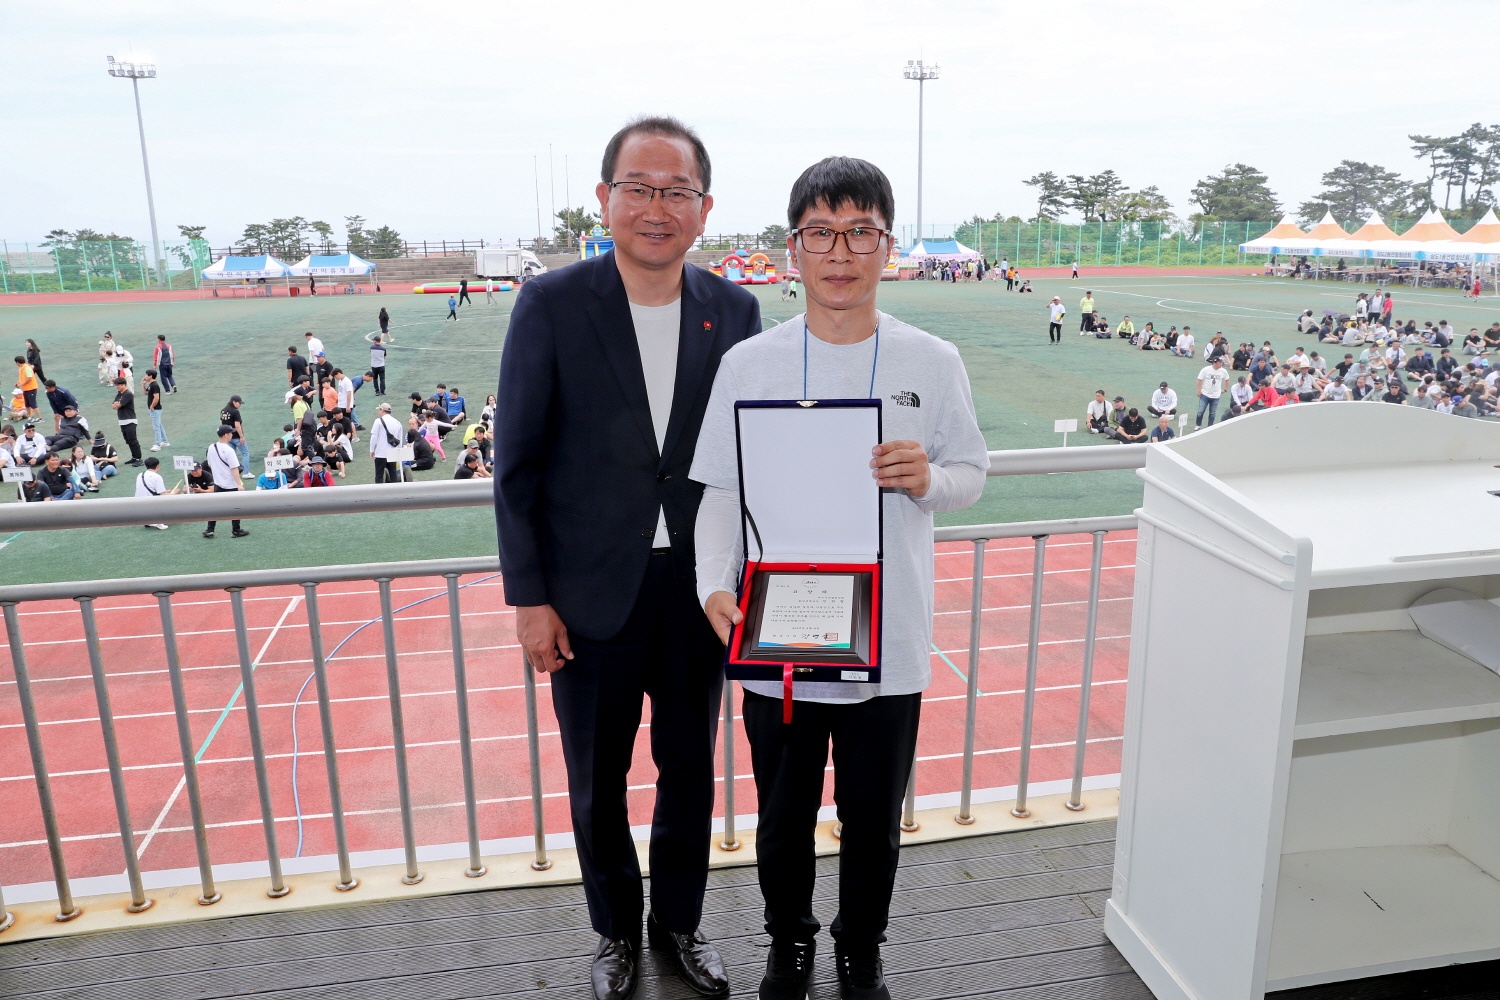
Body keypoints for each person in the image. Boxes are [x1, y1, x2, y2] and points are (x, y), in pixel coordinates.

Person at [691, 156, 987, 1000]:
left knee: (872, 824)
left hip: (888, 640)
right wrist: (717, 586)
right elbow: (720, 490)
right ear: (794, 249)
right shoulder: (752, 364)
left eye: (861, 231)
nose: (841, 251)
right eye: (822, 232)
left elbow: (971, 472)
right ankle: (789, 941)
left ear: (886, 246)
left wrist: (927, 480)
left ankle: (862, 945)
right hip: (778, 633)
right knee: (781, 821)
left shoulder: (932, 360)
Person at [492, 115, 761, 1000]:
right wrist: (531, 600)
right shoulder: (553, 303)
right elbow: (518, 463)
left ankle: (679, 925)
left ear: (704, 208)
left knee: (690, 773)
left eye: (675, 191)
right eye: (638, 188)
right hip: (587, 599)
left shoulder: (737, 309)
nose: (656, 207)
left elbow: (752, 457)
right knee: (595, 784)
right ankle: (613, 932)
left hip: (697, 593)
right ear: (605, 199)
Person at [203, 426, 249, 538]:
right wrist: (239, 484)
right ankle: (236, 530)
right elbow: (234, 468)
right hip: (230, 484)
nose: (232, 435)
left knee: (215, 507)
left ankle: (210, 529)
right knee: (236, 507)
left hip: (218, 483)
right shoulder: (229, 450)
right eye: (230, 433)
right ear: (226, 435)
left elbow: (209, 464)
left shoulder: (211, 447)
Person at [135, 455, 178, 528]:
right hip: (150, 504)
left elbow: (153, 491)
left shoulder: (140, 475)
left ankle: (149, 520)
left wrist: (166, 492)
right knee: (173, 498)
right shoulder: (157, 477)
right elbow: (162, 495)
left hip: (138, 503)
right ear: (158, 466)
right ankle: (157, 520)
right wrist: (174, 493)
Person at [370, 402, 405, 483]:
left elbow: (374, 437)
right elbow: (400, 438)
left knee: (379, 475)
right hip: (393, 452)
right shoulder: (397, 422)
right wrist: (398, 450)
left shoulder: (378, 421)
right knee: (393, 475)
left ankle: (379, 493)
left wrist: (372, 449)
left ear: (382, 410)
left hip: (381, 452)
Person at [110, 377, 143, 466]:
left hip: (130, 420)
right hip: (122, 421)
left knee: (133, 440)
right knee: (128, 440)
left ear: (124, 385)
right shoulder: (119, 394)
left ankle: (139, 459)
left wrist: (117, 404)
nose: (117, 387)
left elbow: (119, 405)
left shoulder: (128, 394)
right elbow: (113, 405)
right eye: (116, 385)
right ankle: (134, 457)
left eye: (119, 385)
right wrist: (116, 404)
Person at [220, 396, 252, 478]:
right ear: (234, 401)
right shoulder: (235, 412)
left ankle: (232, 473)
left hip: (227, 437)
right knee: (245, 453)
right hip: (236, 437)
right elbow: (237, 425)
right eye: (239, 403)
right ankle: (245, 473)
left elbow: (221, 424)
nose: (240, 405)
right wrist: (242, 436)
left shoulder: (223, 411)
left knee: (232, 455)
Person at [1195, 357, 1229, 429]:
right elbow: (1199, 379)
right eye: (1219, 362)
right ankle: (1198, 425)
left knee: (1212, 413)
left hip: (1216, 396)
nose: (1221, 363)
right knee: (1200, 411)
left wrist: (1225, 389)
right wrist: (1199, 390)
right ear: (1215, 363)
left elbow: (1227, 379)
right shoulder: (1206, 370)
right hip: (1205, 394)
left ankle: (1210, 427)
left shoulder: (1223, 371)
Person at [142, 369, 169, 451]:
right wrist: (143, 385)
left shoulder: (154, 385)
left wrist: (152, 406)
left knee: (156, 427)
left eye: (146, 375)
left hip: (155, 409)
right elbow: (145, 393)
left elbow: (156, 397)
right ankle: (165, 441)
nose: (145, 376)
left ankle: (157, 444)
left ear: (150, 376)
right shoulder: (151, 385)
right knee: (159, 425)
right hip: (154, 409)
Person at [13, 355, 40, 421]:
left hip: (31, 388)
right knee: (27, 404)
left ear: (17, 362)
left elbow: (29, 378)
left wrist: (21, 384)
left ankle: (40, 418)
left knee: (33, 404)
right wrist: (18, 383)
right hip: (25, 389)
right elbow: (21, 378)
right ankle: (30, 416)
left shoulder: (27, 368)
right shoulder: (21, 368)